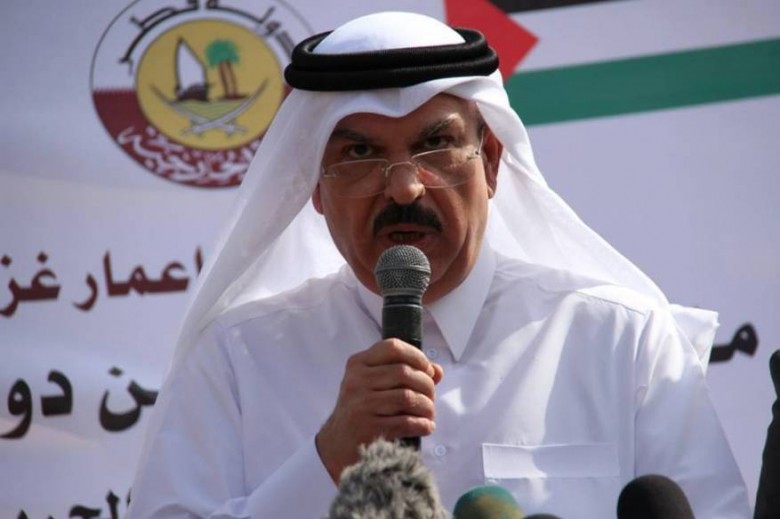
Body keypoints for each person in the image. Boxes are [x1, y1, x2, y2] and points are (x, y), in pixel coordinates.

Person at [127, 11, 749, 518]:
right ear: (315, 187)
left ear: (491, 162)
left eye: (435, 145)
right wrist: (327, 460)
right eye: (361, 152)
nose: (404, 188)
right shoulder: (236, 359)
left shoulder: (620, 340)